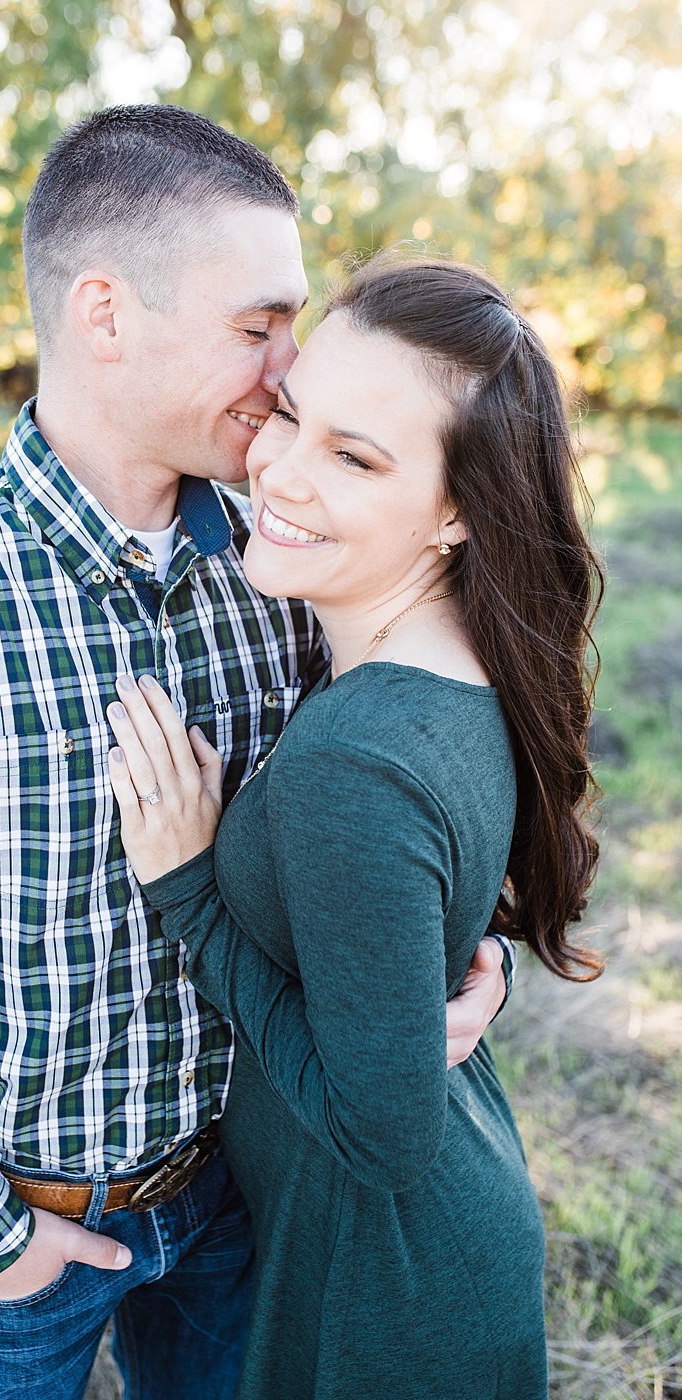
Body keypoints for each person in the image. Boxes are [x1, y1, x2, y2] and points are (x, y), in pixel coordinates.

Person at [0, 110, 511, 1400]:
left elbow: (381, 782)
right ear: (104, 310)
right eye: (257, 326)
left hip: (236, 1195)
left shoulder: (277, 571)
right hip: (29, 1229)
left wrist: (458, 946)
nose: (289, 371)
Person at [105, 255, 604, 1399]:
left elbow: (381, 1134)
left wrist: (187, 884)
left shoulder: (356, 757)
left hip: (384, 1292)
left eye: (355, 456)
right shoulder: (460, 666)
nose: (278, 469)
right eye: (291, 414)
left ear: (457, 514)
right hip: (420, 1252)